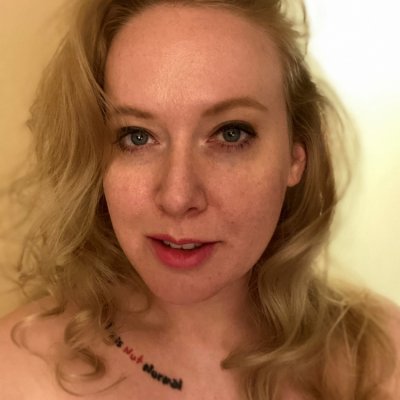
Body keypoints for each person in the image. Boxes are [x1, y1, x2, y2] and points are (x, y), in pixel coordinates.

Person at [0, 0, 399, 399]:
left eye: (230, 134)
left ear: (296, 156)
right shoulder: (18, 372)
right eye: (137, 136)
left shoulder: (385, 358)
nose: (177, 197)